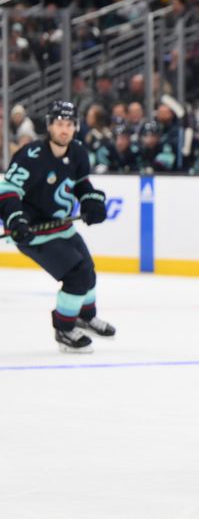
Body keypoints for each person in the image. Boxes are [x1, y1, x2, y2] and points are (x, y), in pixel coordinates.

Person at [0, 100, 115, 353]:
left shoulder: (78, 152)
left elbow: (82, 185)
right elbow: (7, 192)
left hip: (61, 228)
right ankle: (64, 328)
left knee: (89, 271)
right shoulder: (31, 156)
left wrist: (91, 201)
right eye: (60, 124)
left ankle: (85, 315)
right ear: (50, 126)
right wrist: (16, 219)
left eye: (70, 125)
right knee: (77, 274)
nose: (65, 130)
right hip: (34, 232)